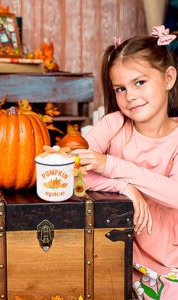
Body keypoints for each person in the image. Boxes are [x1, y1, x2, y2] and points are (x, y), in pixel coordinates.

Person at [73, 26, 178, 299]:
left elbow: (175, 193)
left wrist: (111, 165)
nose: (129, 96)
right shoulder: (113, 125)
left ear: (168, 78)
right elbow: (75, 173)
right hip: (124, 259)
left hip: (173, 262)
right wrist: (124, 188)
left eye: (139, 82)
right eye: (121, 88)